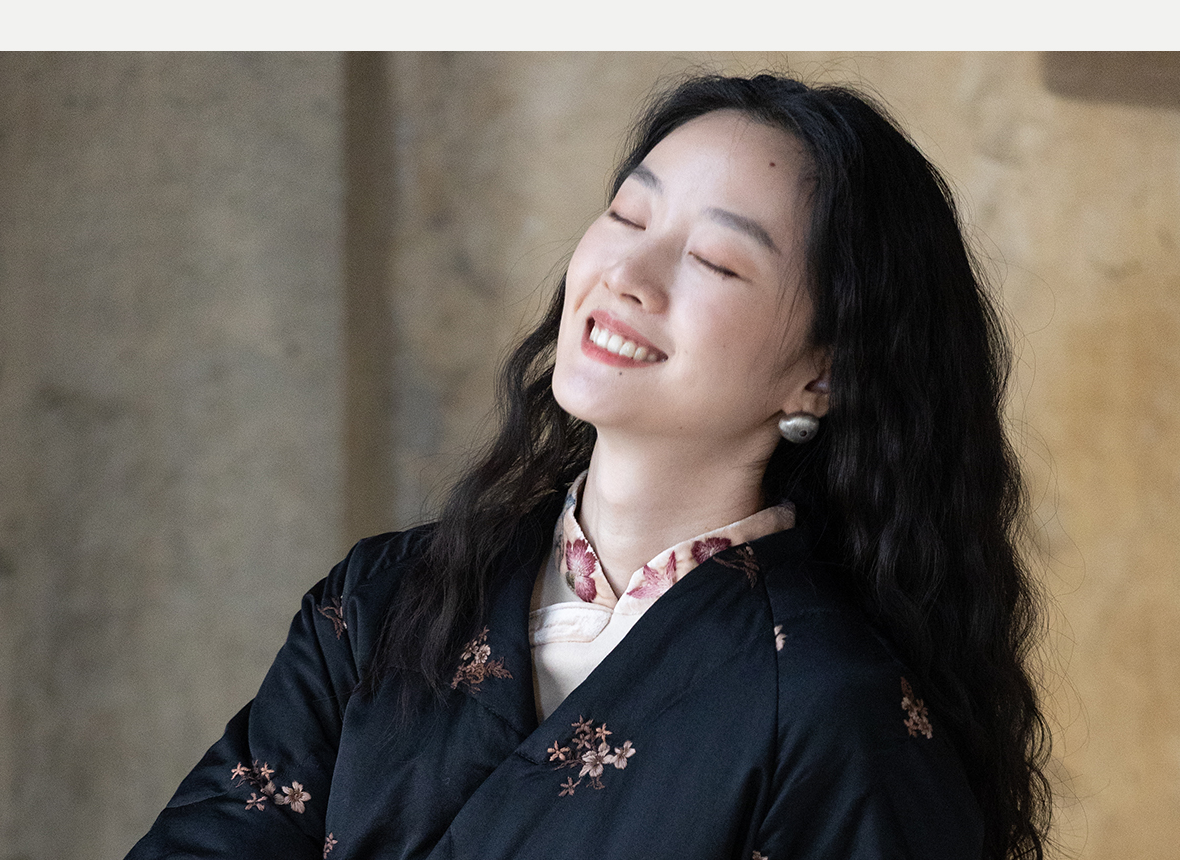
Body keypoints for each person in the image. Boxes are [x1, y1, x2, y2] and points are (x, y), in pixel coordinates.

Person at [127, 73, 1052, 860]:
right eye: (628, 214)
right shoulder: (381, 601)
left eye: (716, 261)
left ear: (824, 373)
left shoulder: (835, 714)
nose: (627, 275)